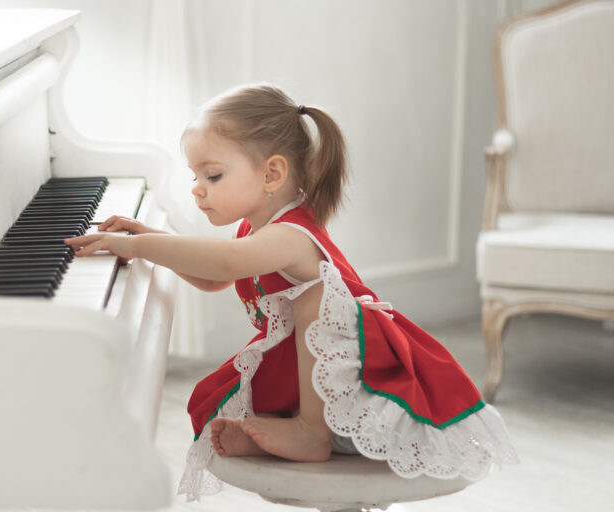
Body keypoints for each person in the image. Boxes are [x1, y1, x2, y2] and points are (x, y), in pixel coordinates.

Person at [64, 84, 518, 501]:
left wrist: (138, 245)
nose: (198, 190)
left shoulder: (289, 235)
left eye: (213, 175)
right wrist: (147, 240)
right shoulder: (254, 226)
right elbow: (215, 277)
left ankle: (311, 432)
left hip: (359, 381)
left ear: (272, 173)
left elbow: (223, 264)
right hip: (307, 374)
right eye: (195, 176)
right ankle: (289, 423)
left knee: (313, 296)